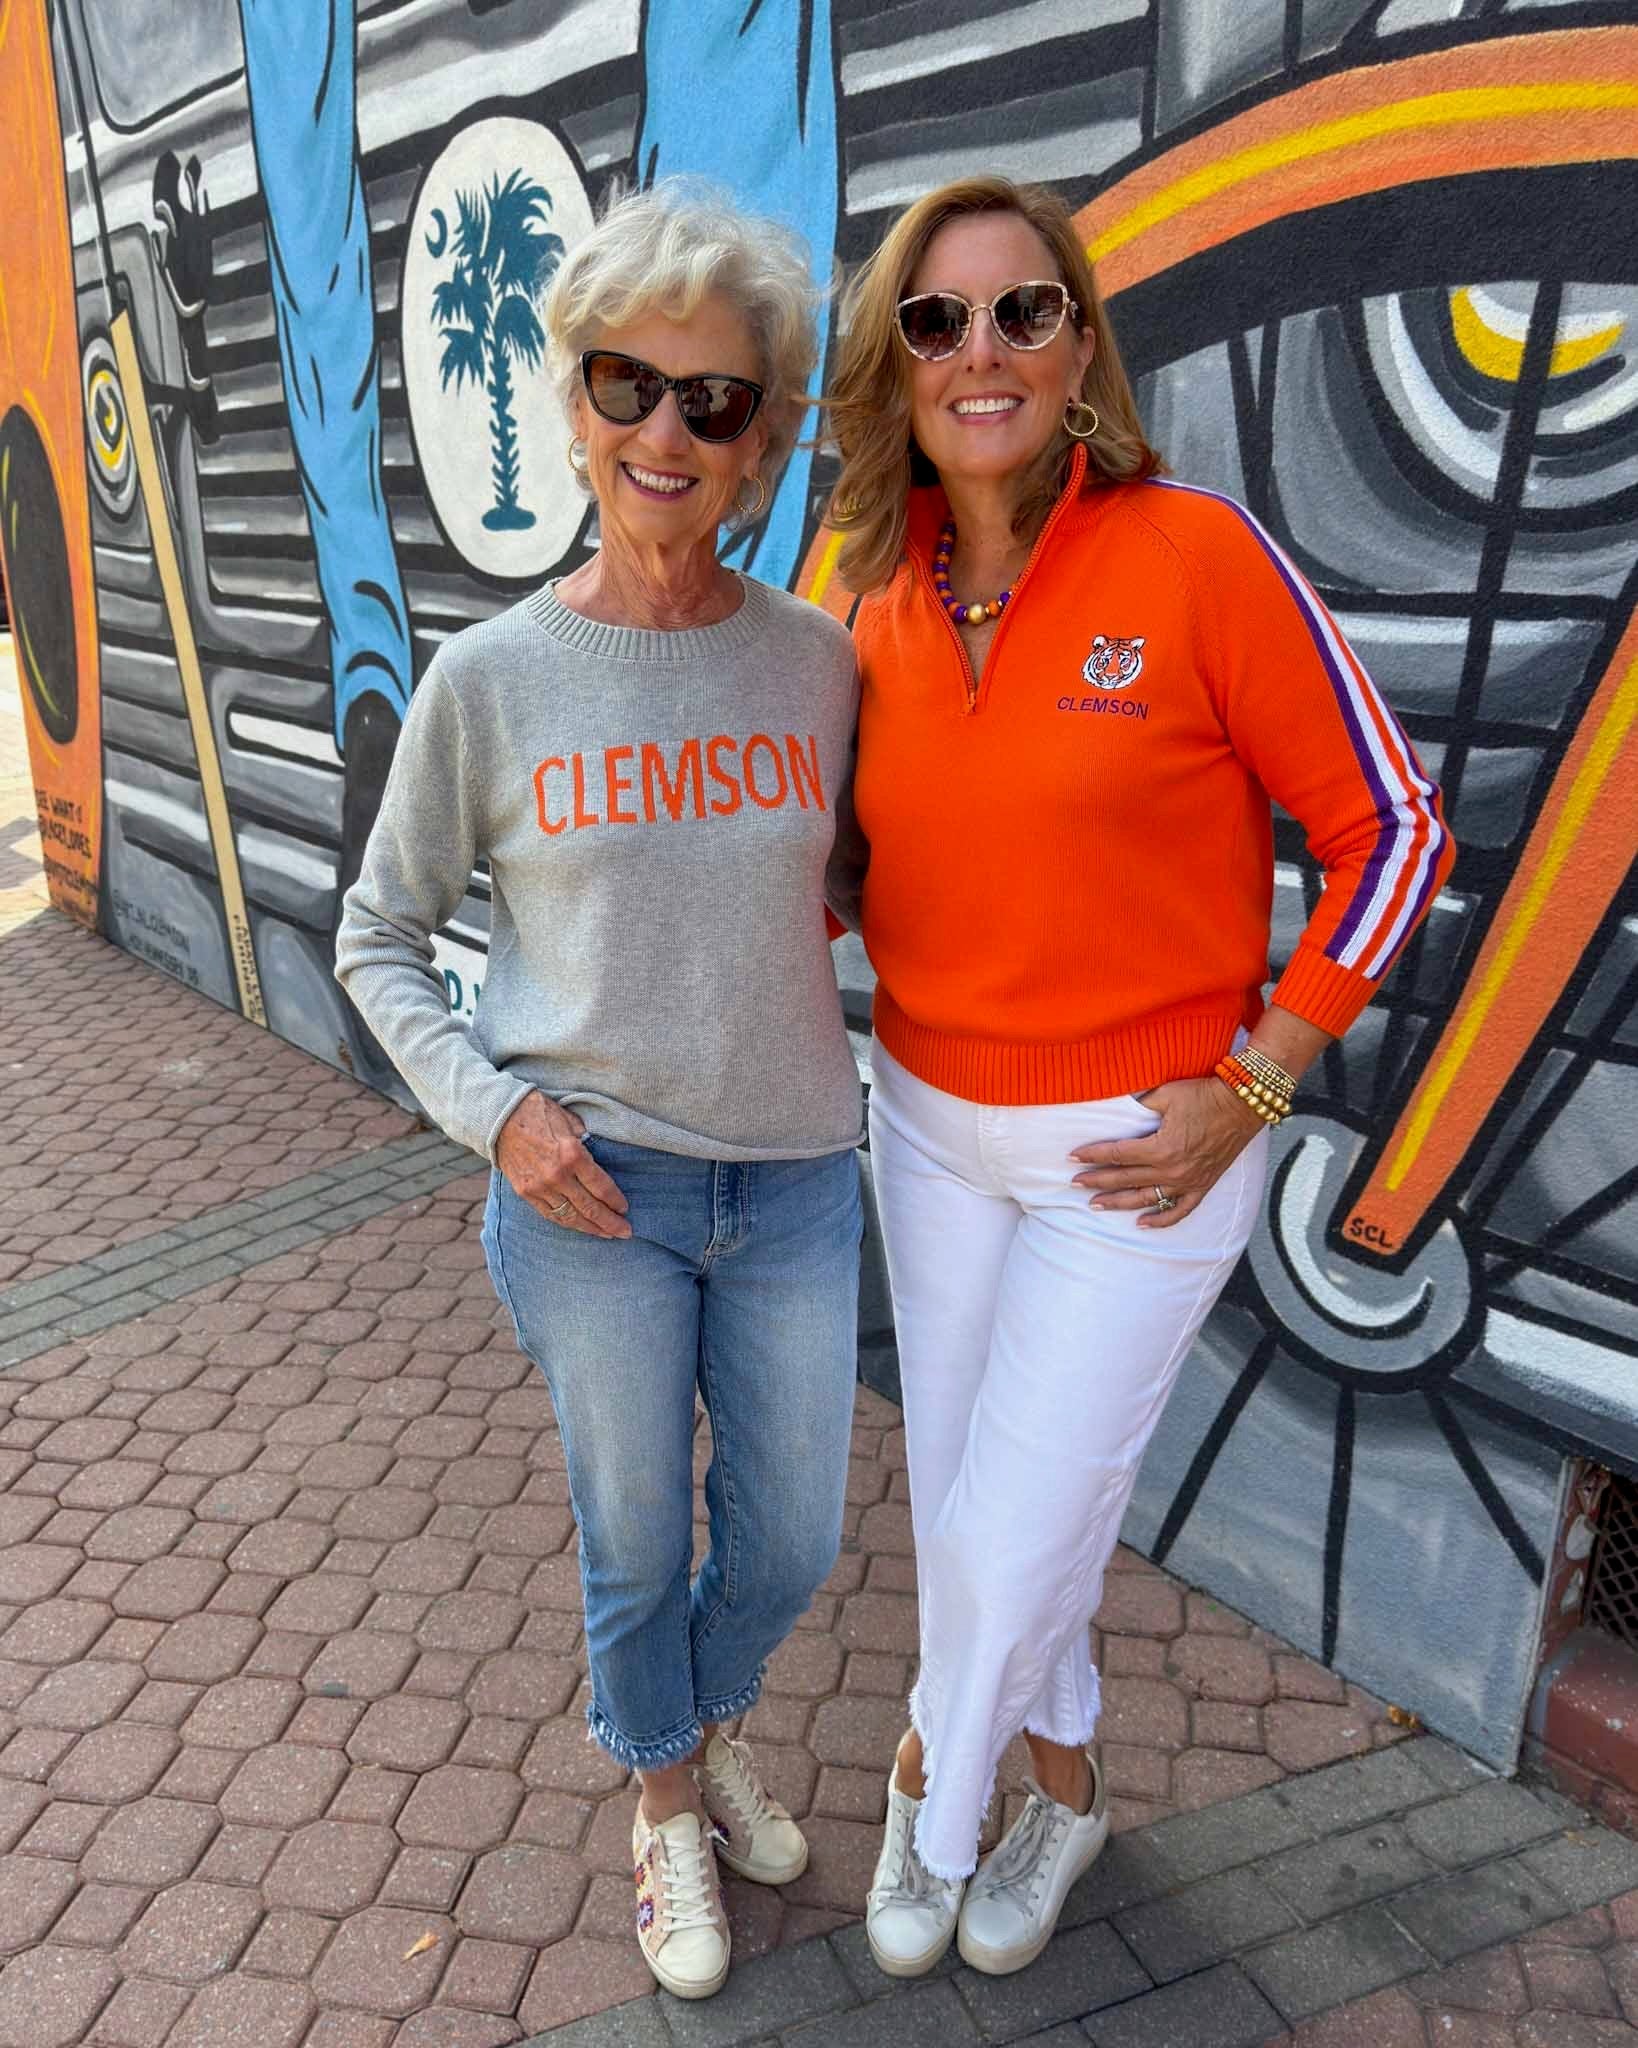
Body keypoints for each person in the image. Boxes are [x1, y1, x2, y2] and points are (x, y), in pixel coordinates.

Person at [823, 175, 1454, 1980]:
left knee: (1013, 1525)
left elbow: (1393, 830)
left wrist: (1259, 1081)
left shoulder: (1193, 554)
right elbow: (848, 872)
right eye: (937, 320)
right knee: (979, 1507)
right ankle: (1068, 1782)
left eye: (1023, 310)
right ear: (895, 364)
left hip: (1147, 1149)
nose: (982, 350)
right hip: (923, 1131)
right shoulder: (867, 598)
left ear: (1080, 342)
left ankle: (935, 1794)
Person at [336, 181, 865, 2002]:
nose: (664, 433)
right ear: (570, 404)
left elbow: (879, 885)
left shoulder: (817, 665)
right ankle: (661, 1806)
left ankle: (696, 1730)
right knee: (636, 1543)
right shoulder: (491, 682)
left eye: (712, 401)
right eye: (627, 385)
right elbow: (375, 935)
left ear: (760, 439)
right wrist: (496, 1112)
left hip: (793, 1180)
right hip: (590, 1194)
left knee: (792, 1536)